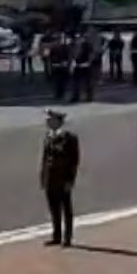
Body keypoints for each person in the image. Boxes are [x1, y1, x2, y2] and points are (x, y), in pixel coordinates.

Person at [40, 109, 80, 248]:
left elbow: (74, 161)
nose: (47, 121)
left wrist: (70, 180)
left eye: (50, 119)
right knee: (54, 208)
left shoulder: (70, 138)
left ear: (58, 121)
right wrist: (43, 178)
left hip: (63, 179)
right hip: (50, 178)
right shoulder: (48, 136)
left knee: (66, 209)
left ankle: (67, 238)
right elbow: (45, 159)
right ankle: (56, 236)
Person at [70, 31, 98, 103]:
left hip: (86, 65)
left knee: (88, 82)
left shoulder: (87, 45)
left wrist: (88, 62)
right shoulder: (73, 45)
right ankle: (76, 96)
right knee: (76, 82)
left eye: (79, 38)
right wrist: (72, 62)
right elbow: (72, 54)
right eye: (76, 38)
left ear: (82, 38)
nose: (77, 40)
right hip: (77, 65)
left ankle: (89, 97)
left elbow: (92, 54)